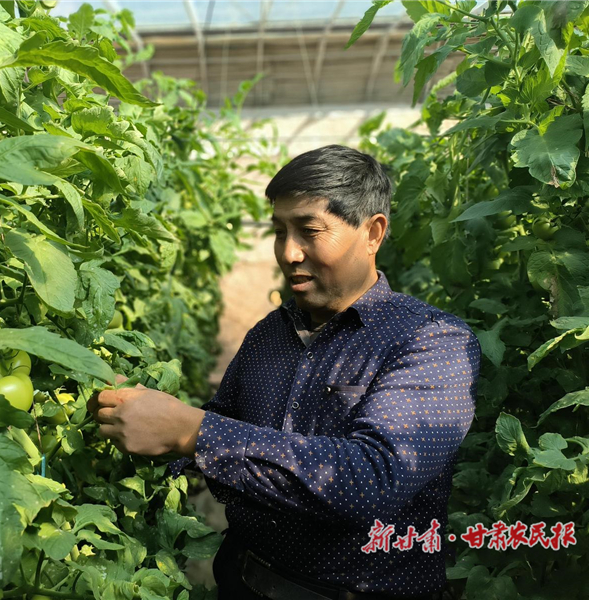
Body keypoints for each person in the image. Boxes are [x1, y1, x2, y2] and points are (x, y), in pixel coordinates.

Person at [88, 145, 480, 600]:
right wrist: (134, 416)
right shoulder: (270, 334)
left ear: (372, 233)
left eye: (309, 231)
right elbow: (223, 421)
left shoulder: (433, 341)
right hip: (241, 580)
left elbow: (372, 480)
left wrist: (192, 432)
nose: (289, 253)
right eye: (279, 232)